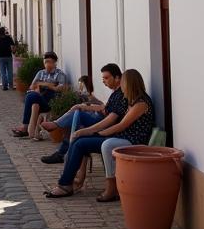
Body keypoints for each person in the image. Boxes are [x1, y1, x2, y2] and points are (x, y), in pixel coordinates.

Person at [44, 68, 155, 202]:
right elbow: (107, 112)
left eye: (124, 84)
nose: (122, 87)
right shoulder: (132, 101)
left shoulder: (141, 103)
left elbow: (121, 126)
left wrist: (96, 133)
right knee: (80, 140)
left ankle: (67, 184)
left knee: (81, 143)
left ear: (130, 84)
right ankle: (68, 181)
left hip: (130, 141)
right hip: (121, 137)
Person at [40, 64, 120, 165]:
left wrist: (84, 107)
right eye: (103, 78)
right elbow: (104, 108)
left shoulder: (119, 94)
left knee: (78, 115)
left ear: (117, 78)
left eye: (106, 78)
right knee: (76, 122)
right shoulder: (115, 93)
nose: (103, 81)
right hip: (99, 119)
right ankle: (61, 154)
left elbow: (104, 110)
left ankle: (56, 127)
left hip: (102, 123)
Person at [12, 52, 67, 137]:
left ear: (54, 63)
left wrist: (42, 85)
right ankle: (30, 130)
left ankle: (25, 127)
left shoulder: (59, 74)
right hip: (39, 97)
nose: (47, 64)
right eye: (45, 62)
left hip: (51, 100)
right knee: (32, 96)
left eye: (49, 61)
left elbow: (60, 88)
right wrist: (47, 84)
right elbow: (32, 86)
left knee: (31, 96)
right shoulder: (40, 73)